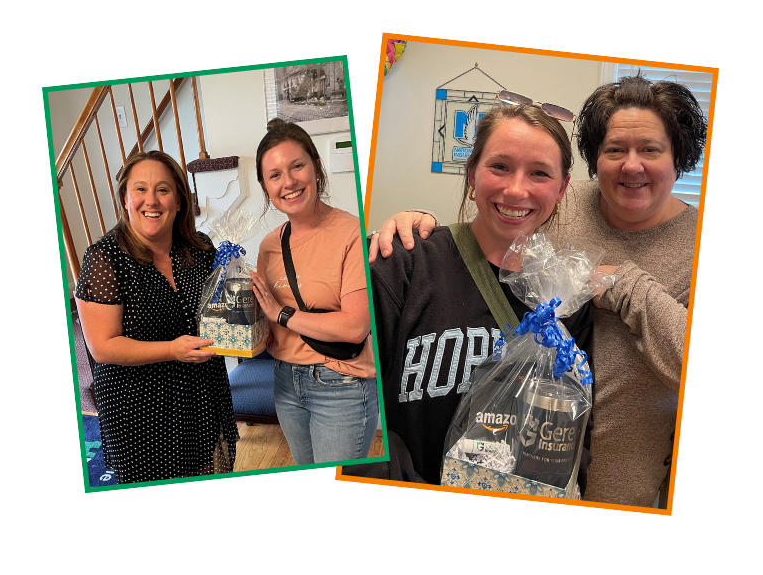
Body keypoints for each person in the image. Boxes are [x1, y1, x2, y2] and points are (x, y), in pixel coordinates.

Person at [373, 73, 707, 507]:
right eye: (614, 150)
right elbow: (498, 214)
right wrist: (413, 227)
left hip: (606, 480)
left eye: (651, 149)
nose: (631, 165)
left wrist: (626, 286)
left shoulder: (697, 245)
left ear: (678, 157)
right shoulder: (562, 204)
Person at [350, 103, 594, 487]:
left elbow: (578, 431)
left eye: (539, 173)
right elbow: (350, 398)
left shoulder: (567, 300)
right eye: (500, 166)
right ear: (472, 175)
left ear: (561, 187)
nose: (516, 189)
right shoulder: (403, 265)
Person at [75, 151, 238, 484]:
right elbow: (103, 347)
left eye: (163, 190)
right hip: (140, 413)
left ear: (179, 200)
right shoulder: (104, 259)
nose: (152, 200)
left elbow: (215, 311)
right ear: (124, 198)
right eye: (140, 189)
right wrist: (172, 350)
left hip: (201, 399)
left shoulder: (200, 247)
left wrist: (244, 300)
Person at [250, 119, 378, 464]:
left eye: (297, 166)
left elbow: (354, 326)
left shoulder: (352, 233)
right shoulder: (268, 246)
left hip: (341, 385)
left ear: (316, 168)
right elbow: (263, 323)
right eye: (274, 175)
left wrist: (282, 314)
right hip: (285, 382)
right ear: (265, 186)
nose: (288, 182)